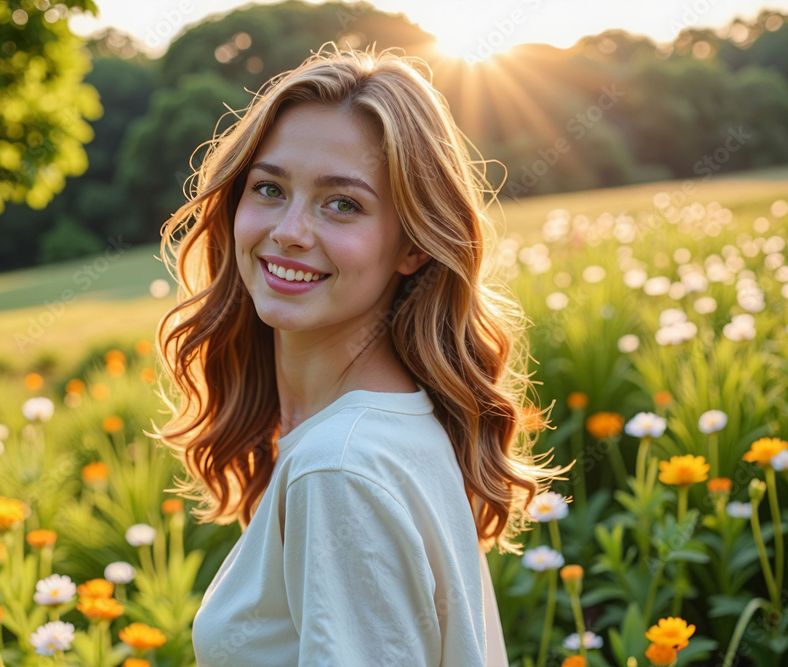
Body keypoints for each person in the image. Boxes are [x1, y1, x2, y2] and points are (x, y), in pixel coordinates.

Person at [147, 42, 566, 666]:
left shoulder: (339, 469)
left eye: (342, 203)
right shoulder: (387, 428)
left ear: (413, 246)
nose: (290, 230)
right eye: (268, 188)